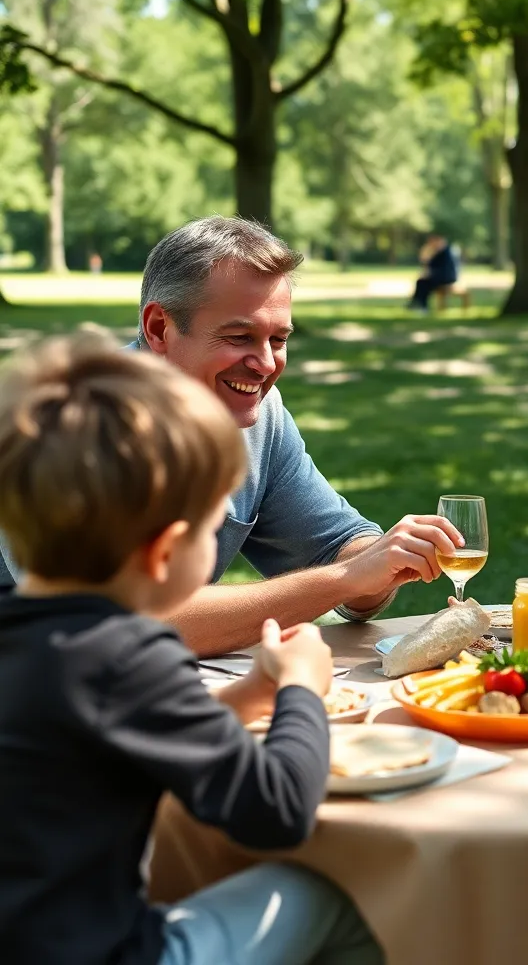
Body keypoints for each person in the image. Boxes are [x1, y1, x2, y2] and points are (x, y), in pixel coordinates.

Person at [0, 332, 382, 965]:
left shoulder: (40, 643)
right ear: (163, 551)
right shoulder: (127, 658)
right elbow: (277, 810)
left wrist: (251, 692)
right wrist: (299, 689)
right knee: (329, 898)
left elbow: (122, 732)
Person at [0, 217, 465, 657]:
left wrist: (383, 561)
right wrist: (344, 579)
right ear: (159, 328)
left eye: (278, 340)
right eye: (240, 337)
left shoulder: (258, 416)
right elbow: (116, 620)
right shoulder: (71, 426)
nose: (265, 364)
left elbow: (336, 547)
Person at [408, 234, 459, 311]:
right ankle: (418, 303)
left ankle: (421, 305)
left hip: (446, 278)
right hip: (441, 276)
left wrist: (430, 273)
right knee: (421, 282)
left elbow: (444, 270)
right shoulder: (441, 252)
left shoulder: (444, 253)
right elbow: (429, 265)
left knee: (423, 283)